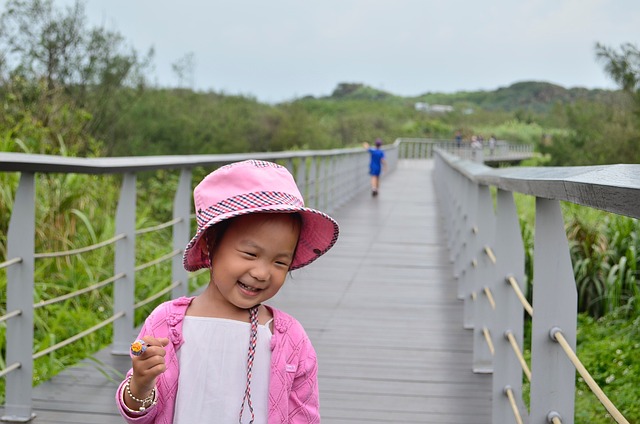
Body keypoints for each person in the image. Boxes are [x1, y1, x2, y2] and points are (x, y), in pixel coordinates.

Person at [115, 160, 340, 423]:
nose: (262, 272)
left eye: (280, 262)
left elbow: (305, 416)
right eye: (250, 254)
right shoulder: (168, 324)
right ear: (210, 245)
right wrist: (141, 384)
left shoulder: (291, 339)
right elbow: (137, 412)